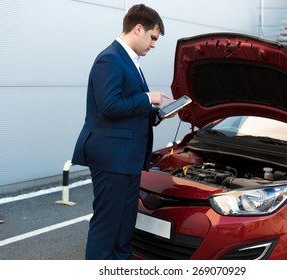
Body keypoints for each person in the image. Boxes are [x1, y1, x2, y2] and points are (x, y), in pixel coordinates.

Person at [72, 4, 171, 259]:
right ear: (138, 28)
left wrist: (156, 112)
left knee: (124, 228)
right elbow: (109, 105)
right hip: (111, 157)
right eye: (152, 38)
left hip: (127, 159)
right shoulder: (110, 58)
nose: (153, 45)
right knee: (108, 227)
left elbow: (129, 106)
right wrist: (148, 98)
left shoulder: (130, 60)